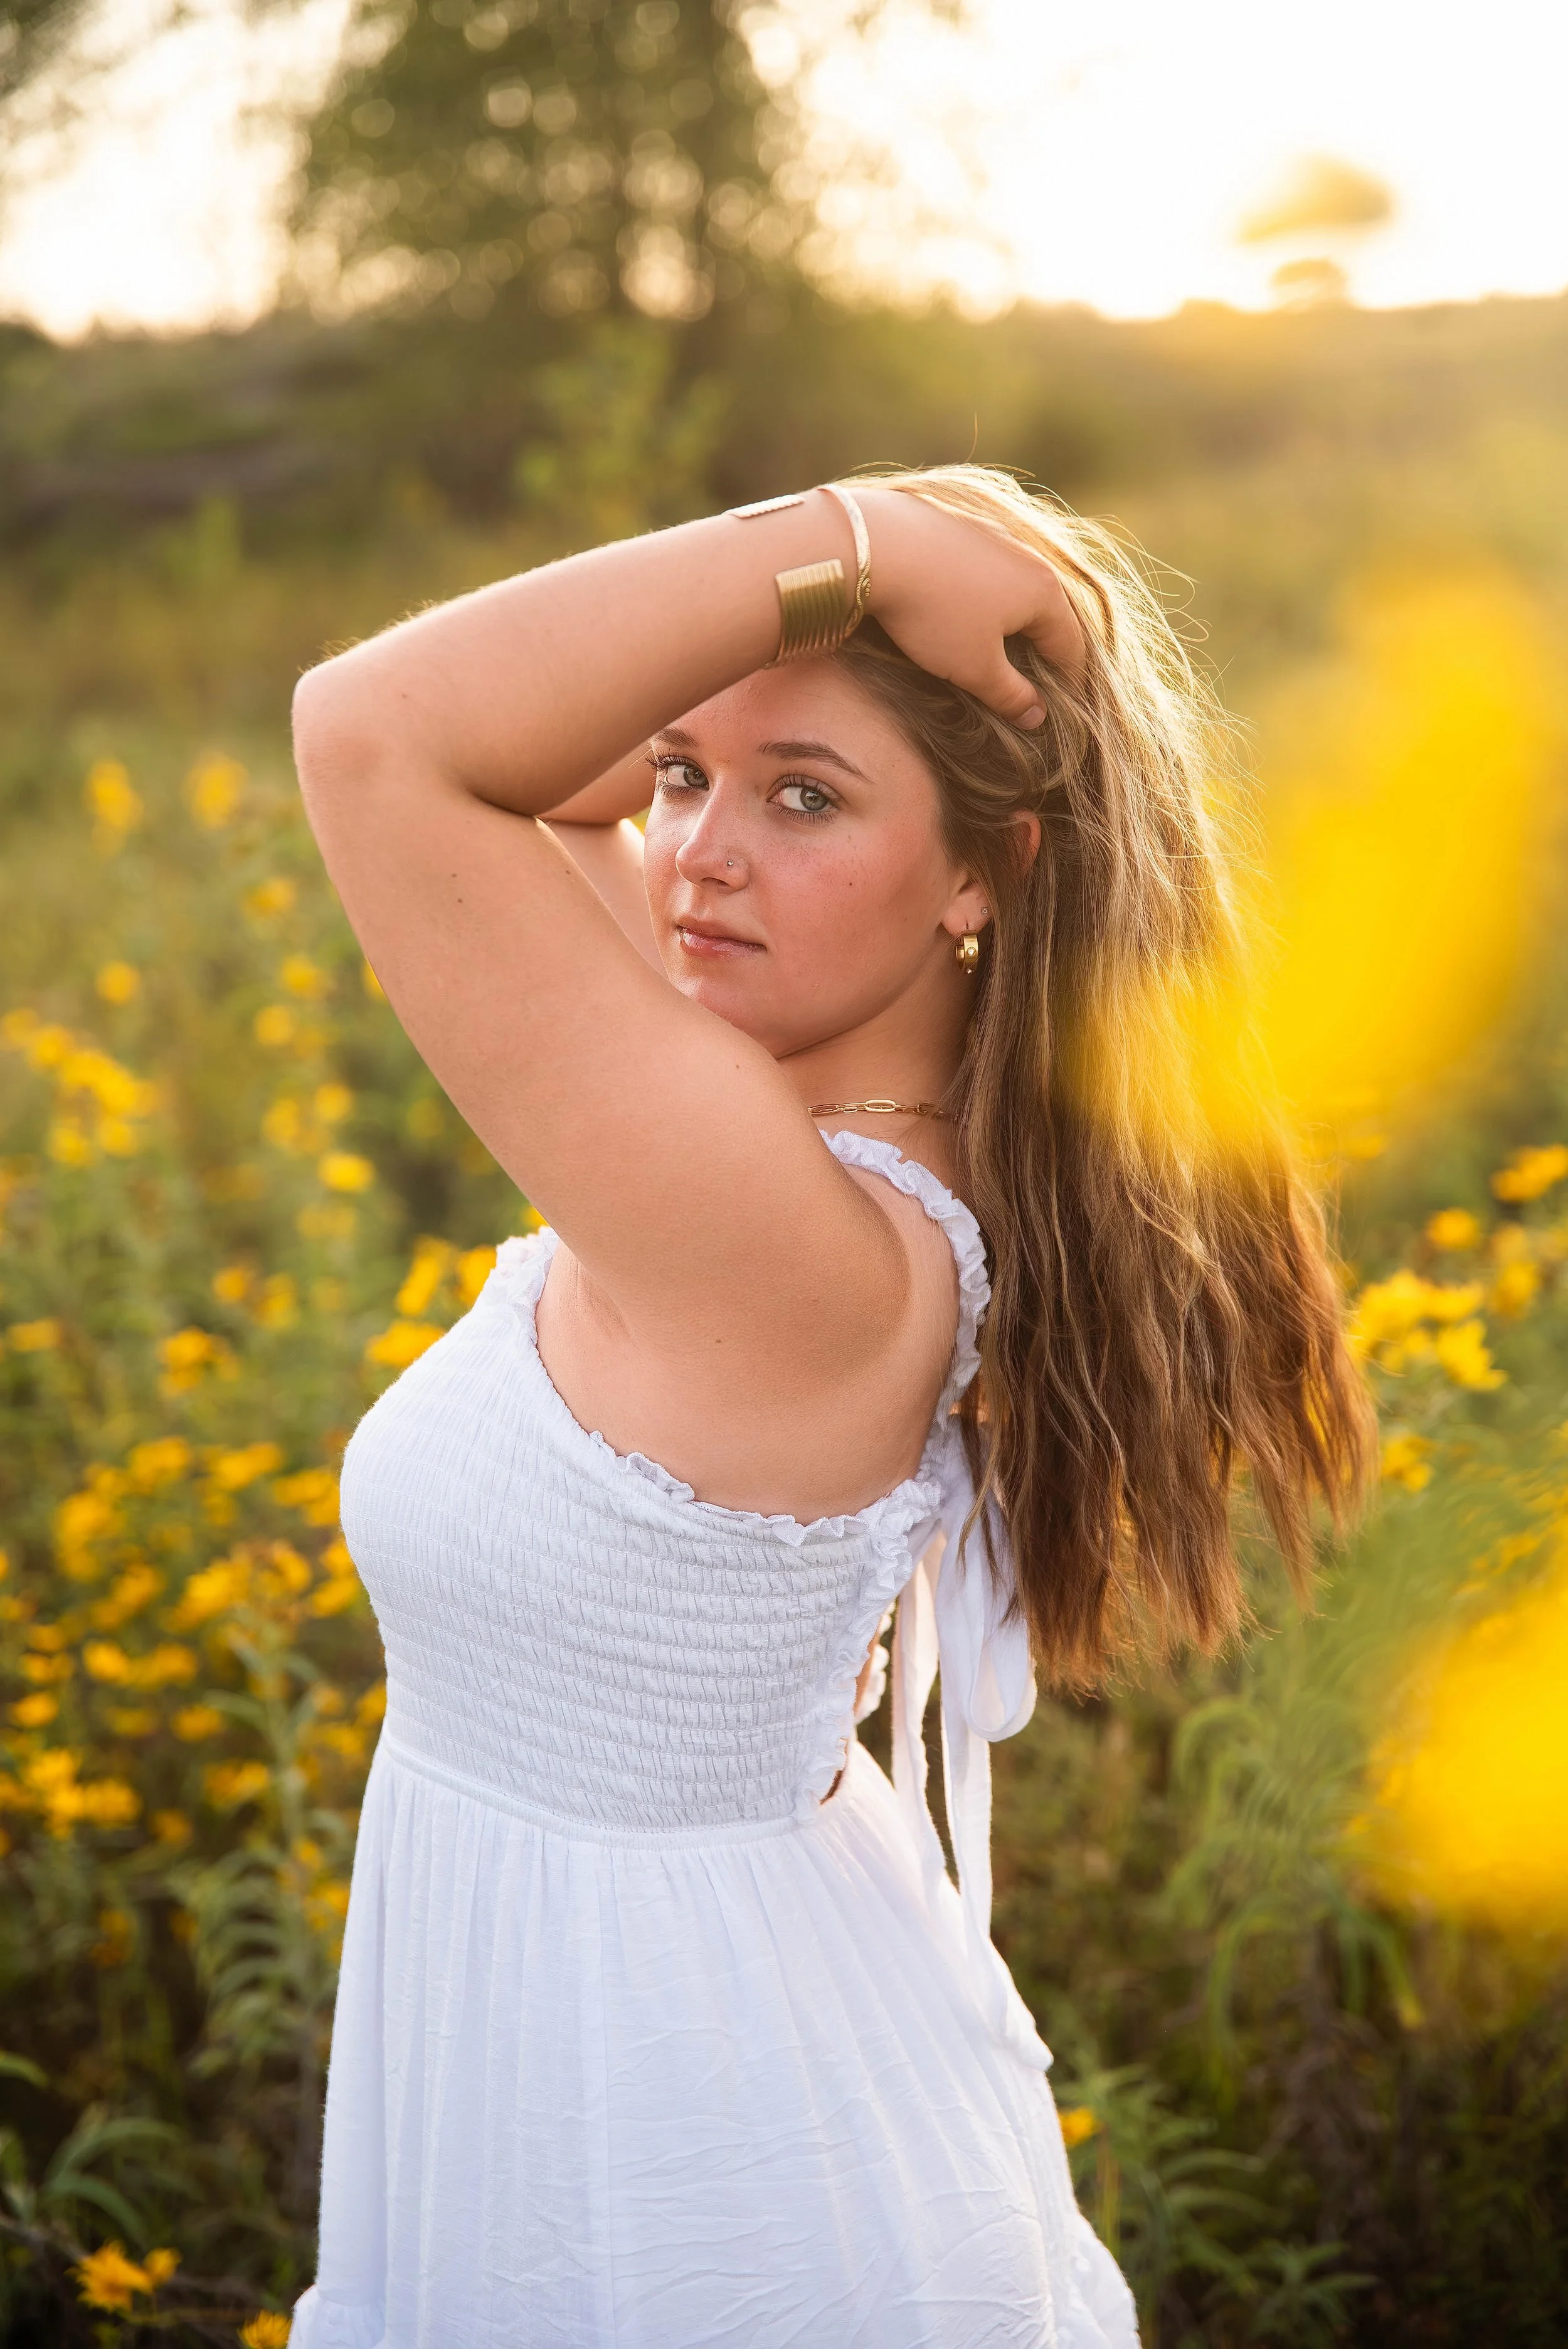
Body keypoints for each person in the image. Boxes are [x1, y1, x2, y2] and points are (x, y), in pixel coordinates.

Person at [286, 465, 1376, 2348]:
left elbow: (375, 729)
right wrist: (839, 567)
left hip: (676, 2117)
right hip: (628, 2018)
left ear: (985, 871)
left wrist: (861, 535)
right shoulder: (805, 1131)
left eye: (805, 798)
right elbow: (557, 784)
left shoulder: (782, 1237)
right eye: (690, 777)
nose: (693, 849)